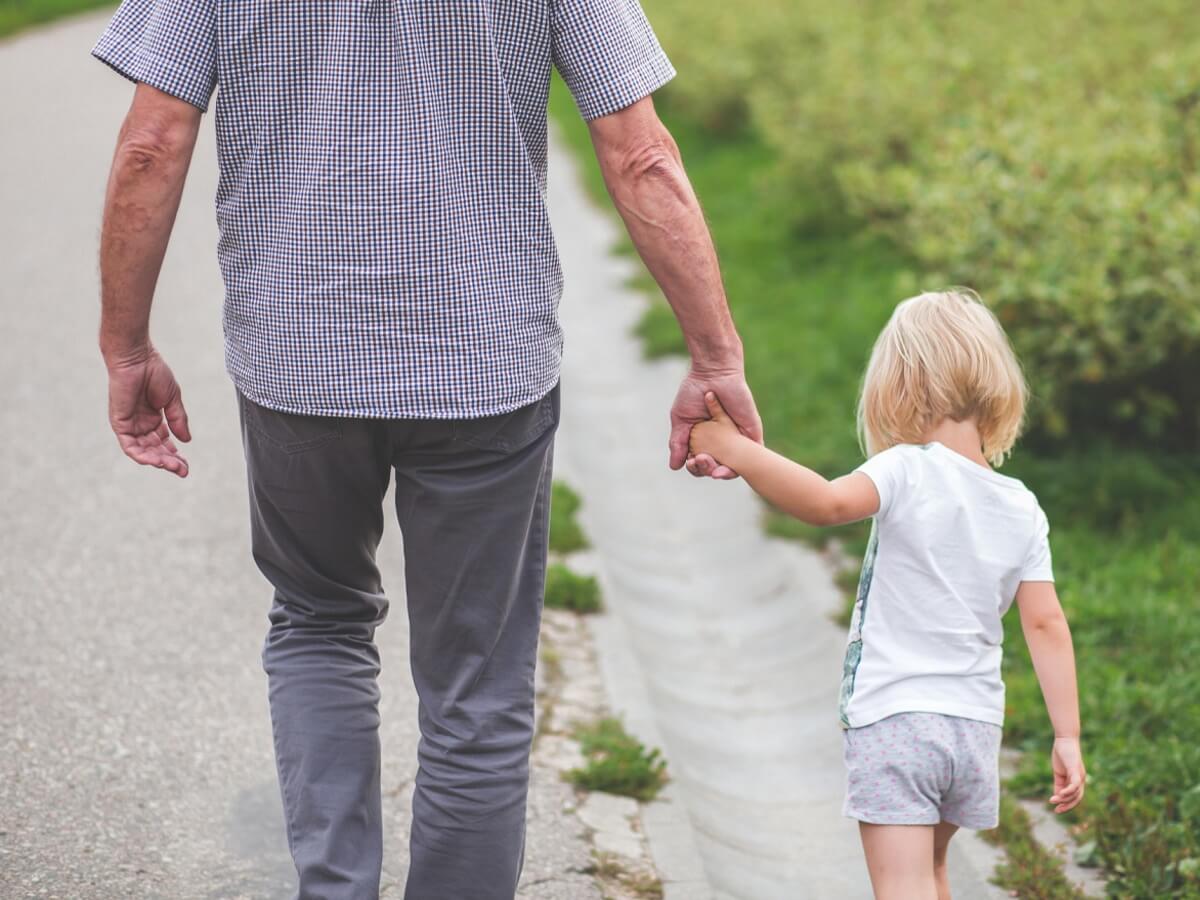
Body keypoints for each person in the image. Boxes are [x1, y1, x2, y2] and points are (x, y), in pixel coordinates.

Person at [91, 1, 761, 897]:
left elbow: (151, 142)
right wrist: (715, 353)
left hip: (299, 363)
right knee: (476, 692)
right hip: (484, 367)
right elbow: (640, 154)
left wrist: (127, 346)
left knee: (319, 624)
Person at [688, 289, 1085, 900]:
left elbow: (825, 503)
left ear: (899, 386)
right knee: (932, 874)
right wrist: (1068, 736)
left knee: (902, 886)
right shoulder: (1022, 506)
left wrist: (736, 448)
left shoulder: (906, 467)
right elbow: (1046, 626)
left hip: (898, 720)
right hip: (974, 729)